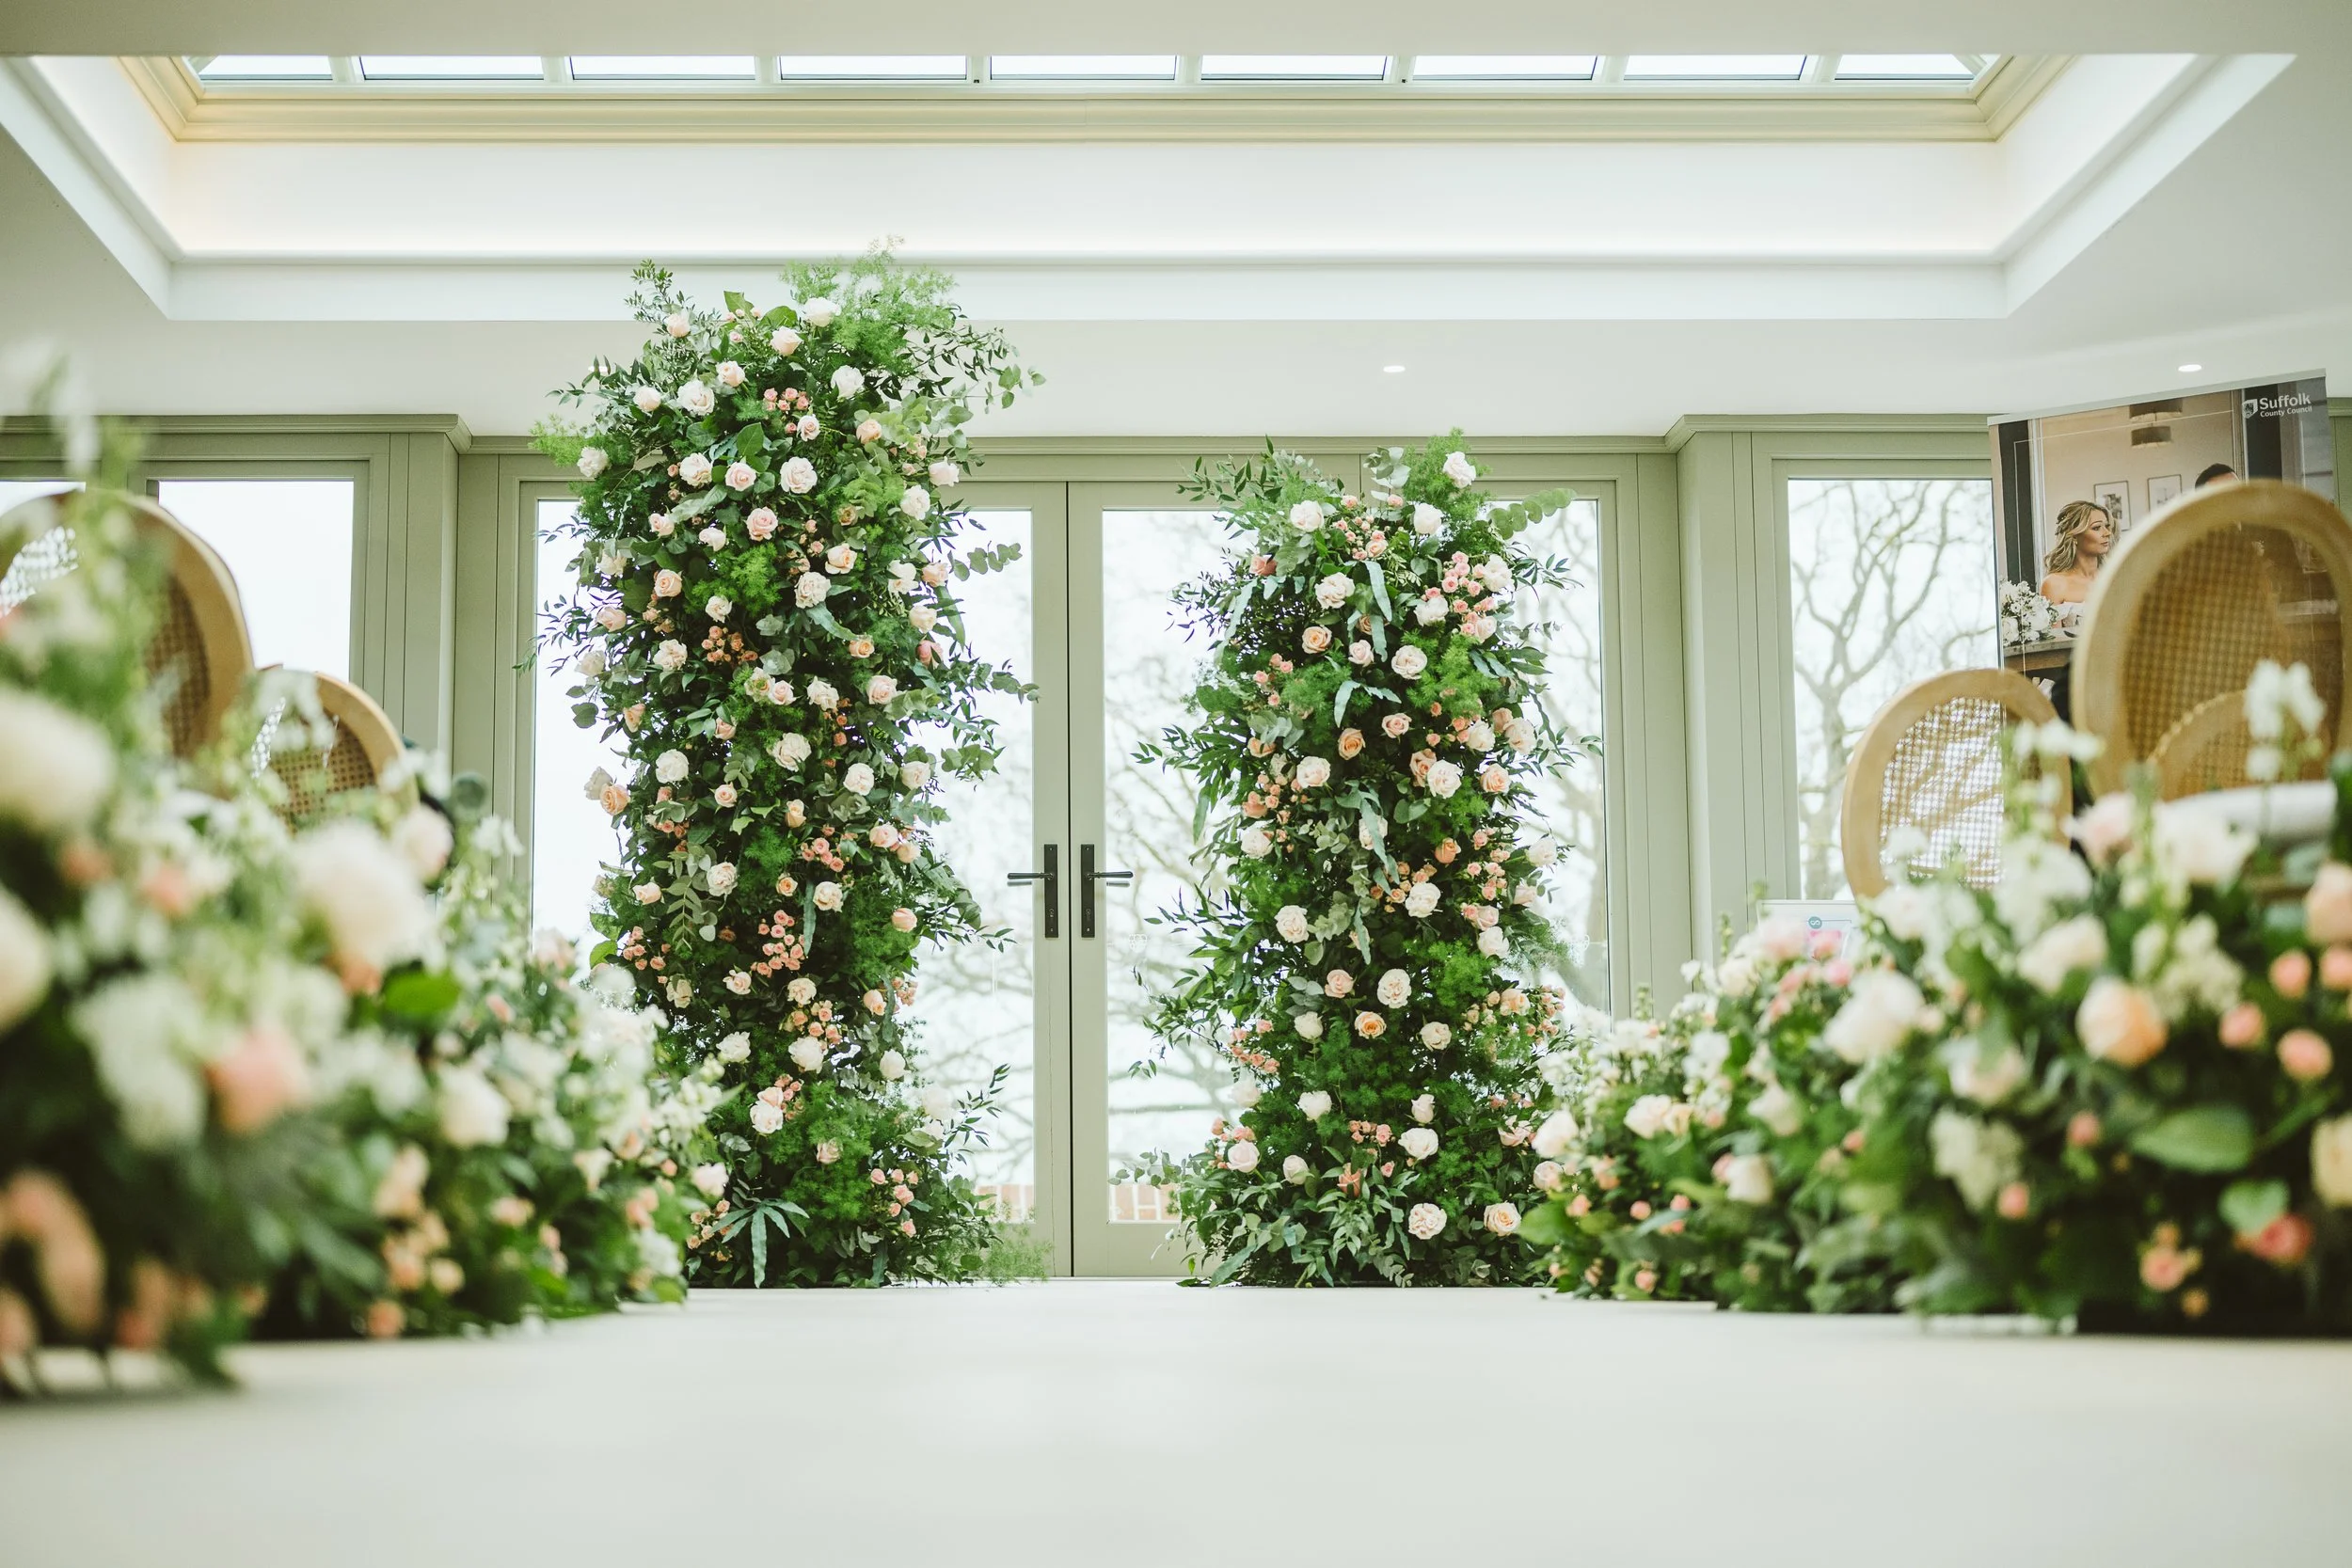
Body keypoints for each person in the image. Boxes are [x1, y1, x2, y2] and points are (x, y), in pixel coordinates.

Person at [2039, 499, 2114, 606]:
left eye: (2106, 526)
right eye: (2097, 528)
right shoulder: (2054, 585)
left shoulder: (2114, 578)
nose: (2107, 533)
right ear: (2074, 536)